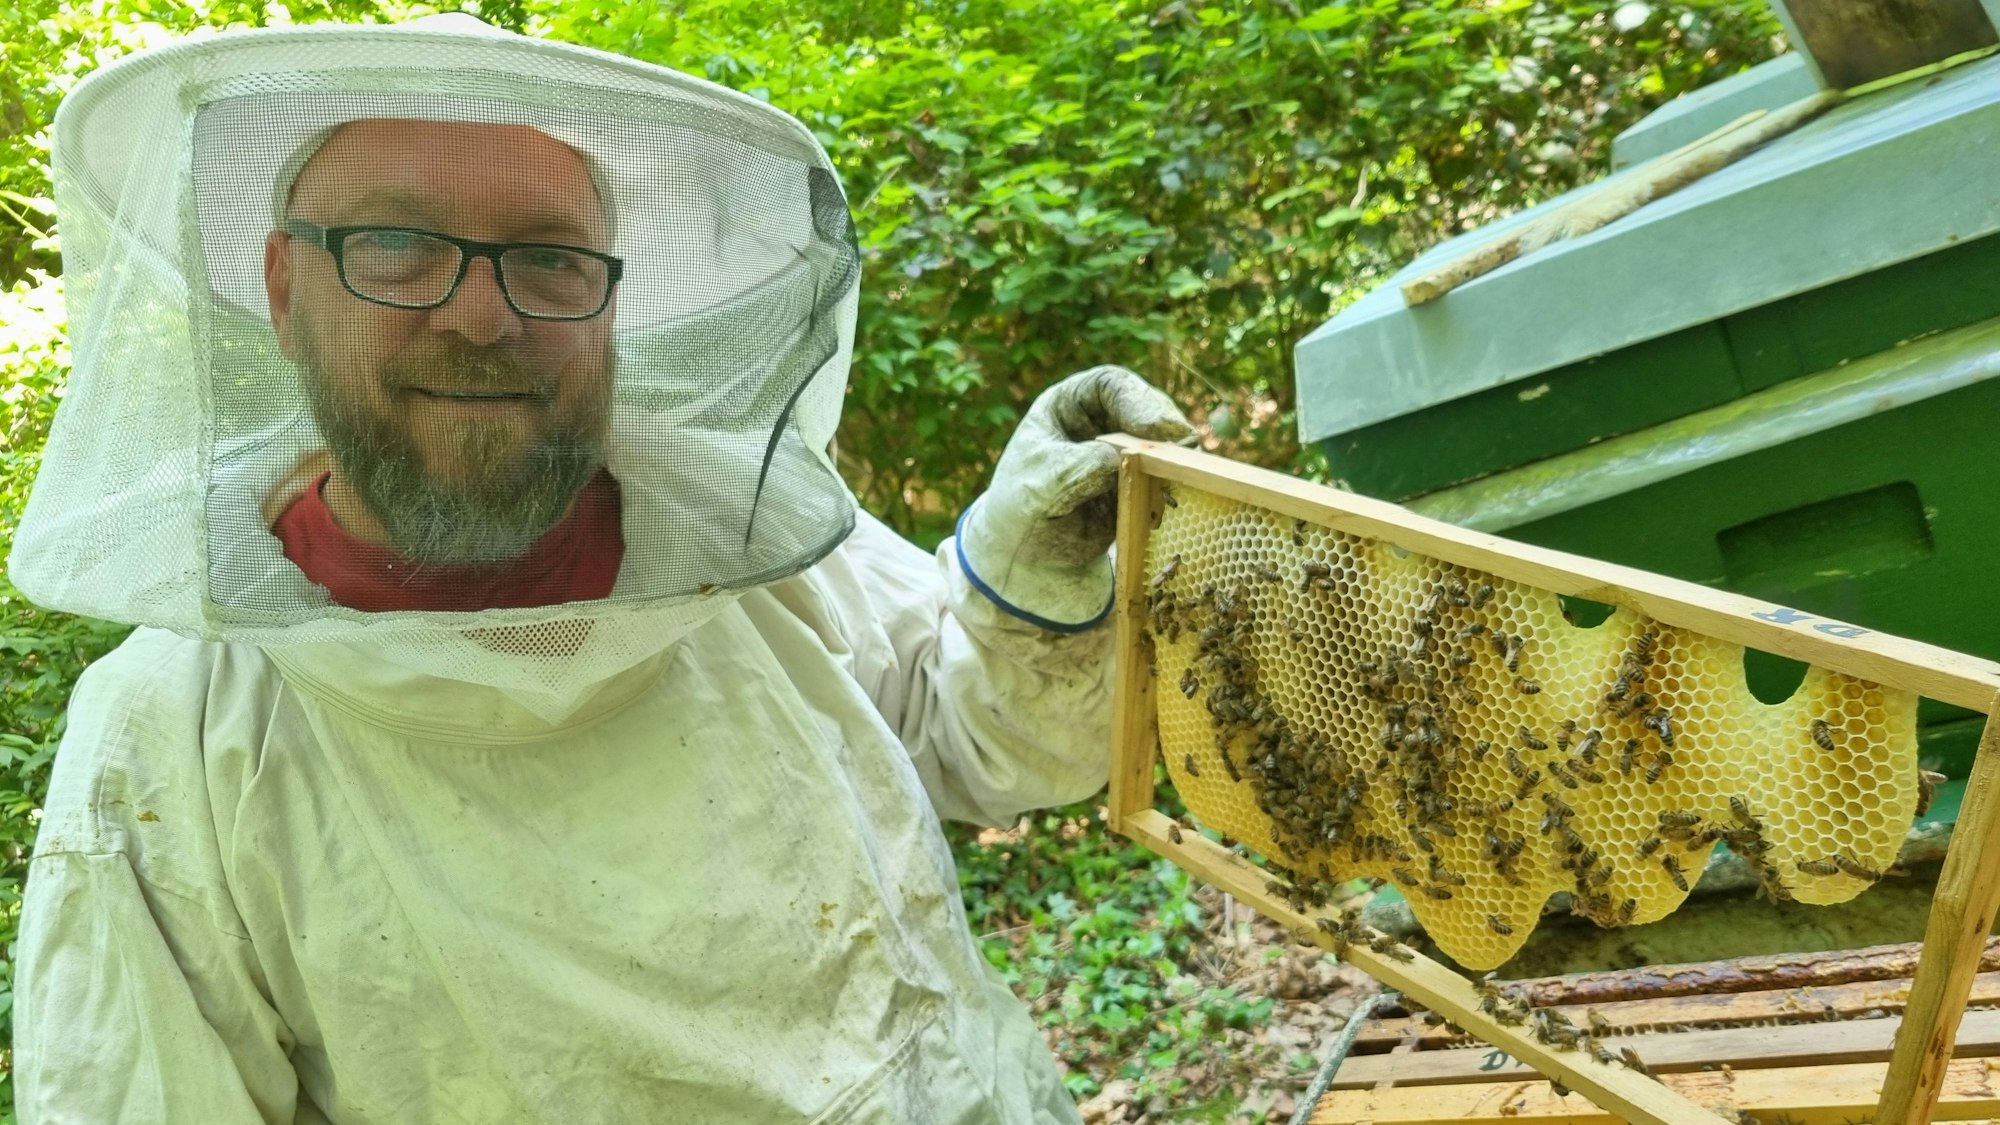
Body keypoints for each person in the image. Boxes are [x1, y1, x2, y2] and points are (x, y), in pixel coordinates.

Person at [8, 15, 1192, 1125]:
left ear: (606, 305)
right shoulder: (165, 744)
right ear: (283, 292)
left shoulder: (736, 533)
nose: (481, 316)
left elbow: (989, 743)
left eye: (549, 258)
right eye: (397, 248)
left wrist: (1030, 568)